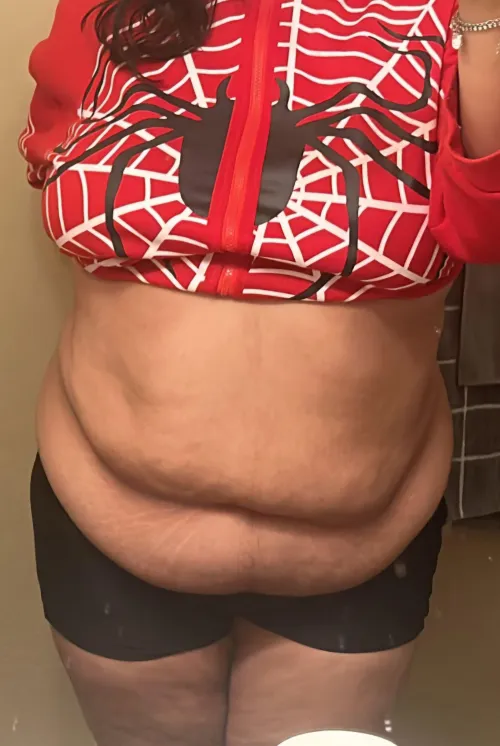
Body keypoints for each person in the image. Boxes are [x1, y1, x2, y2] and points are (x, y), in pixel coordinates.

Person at [19, 0, 500, 744]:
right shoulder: (111, 11)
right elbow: (55, 160)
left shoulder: (457, 20)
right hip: (107, 527)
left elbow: (488, 225)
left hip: (360, 554)